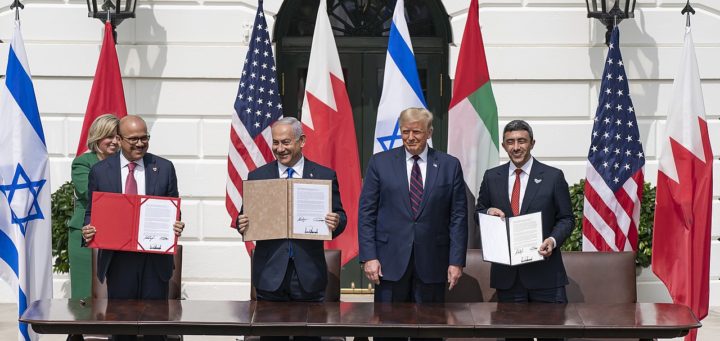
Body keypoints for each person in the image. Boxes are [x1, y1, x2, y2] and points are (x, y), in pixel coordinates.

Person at [358, 107, 468, 341]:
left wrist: (456, 261)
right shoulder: (380, 163)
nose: (410, 137)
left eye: (416, 132)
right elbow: (367, 213)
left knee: (429, 331)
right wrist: (369, 256)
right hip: (389, 263)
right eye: (405, 131)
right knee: (388, 332)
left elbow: (458, 217)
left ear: (429, 132)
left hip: (433, 263)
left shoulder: (449, 165)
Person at [236, 117, 346, 341]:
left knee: (309, 336)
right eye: (275, 143)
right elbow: (244, 217)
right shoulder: (258, 176)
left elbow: (341, 216)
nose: (279, 149)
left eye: (285, 142)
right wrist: (242, 223)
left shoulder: (324, 175)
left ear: (301, 141)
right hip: (270, 274)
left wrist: (336, 222)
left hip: (309, 275)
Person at [82, 115, 185, 341]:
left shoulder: (165, 168)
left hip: (155, 261)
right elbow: (92, 212)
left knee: (155, 329)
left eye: (144, 138)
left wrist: (177, 223)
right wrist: (88, 229)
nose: (140, 144)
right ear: (119, 139)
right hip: (119, 262)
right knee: (122, 329)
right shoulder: (100, 171)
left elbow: (173, 208)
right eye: (133, 139)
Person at [475, 120, 574, 341]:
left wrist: (552, 239)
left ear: (532, 143)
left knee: (553, 337)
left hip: (546, 276)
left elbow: (567, 219)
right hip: (508, 279)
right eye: (510, 142)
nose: (516, 147)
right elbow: (478, 212)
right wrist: (488, 211)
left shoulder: (553, 177)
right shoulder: (492, 177)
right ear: (503, 145)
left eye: (521, 141)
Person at [68, 114, 120, 300]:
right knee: (85, 293)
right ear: (97, 137)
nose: (114, 142)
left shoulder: (126, 164)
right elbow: (88, 193)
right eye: (109, 136)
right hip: (87, 234)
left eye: (118, 137)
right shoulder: (83, 162)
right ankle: (80, 328)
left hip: (118, 234)